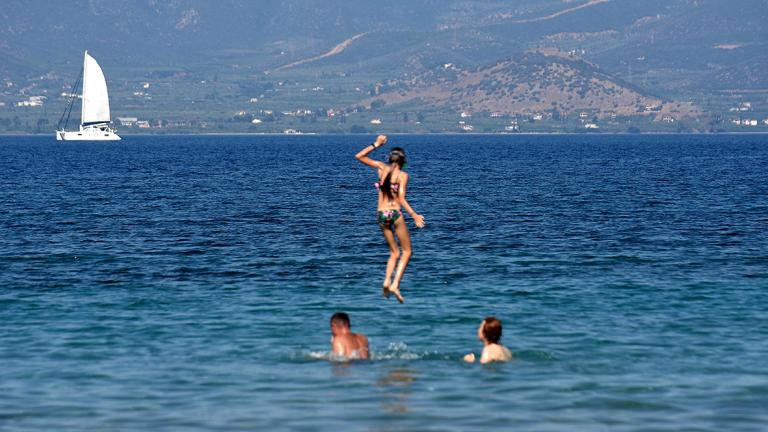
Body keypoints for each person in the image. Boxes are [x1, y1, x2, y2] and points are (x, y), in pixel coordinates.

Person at [355, 135, 425, 303]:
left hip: (381, 215)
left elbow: (359, 156)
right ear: (403, 161)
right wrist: (414, 215)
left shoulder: (381, 168)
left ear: (389, 159)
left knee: (394, 252)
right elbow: (401, 198)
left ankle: (386, 281)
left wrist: (376, 144)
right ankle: (395, 284)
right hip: (395, 213)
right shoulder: (403, 176)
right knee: (406, 251)